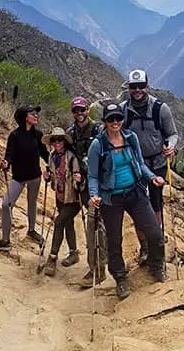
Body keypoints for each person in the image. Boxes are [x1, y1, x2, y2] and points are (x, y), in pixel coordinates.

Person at [87, 102, 167, 300]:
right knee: (115, 240)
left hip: (135, 192)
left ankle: (156, 265)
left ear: (122, 119)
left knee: (155, 232)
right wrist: (94, 194)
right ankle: (120, 278)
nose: (115, 122)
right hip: (110, 197)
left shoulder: (131, 138)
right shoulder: (98, 145)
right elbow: (93, 175)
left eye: (118, 118)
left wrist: (151, 177)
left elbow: (139, 164)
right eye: (111, 119)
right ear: (105, 121)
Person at [120, 69, 178, 264]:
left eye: (140, 86)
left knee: (156, 204)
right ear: (127, 87)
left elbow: (172, 133)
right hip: (134, 165)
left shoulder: (160, 109)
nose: (137, 90)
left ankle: (155, 243)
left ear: (147, 86)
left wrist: (171, 146)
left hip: (157, 163)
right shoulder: (122, 110)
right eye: (133, 87)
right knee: (138, 206)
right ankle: (144, 247)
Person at [0, 104, 48, 251]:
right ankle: (5, 239)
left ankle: (32, 230)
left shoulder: (38, 135)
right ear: (24, 117)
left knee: (32, 203)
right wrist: (6, 163)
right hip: (19, 177)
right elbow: (9, 154)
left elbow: (45, 154)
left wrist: (52, 166)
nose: (36, 115)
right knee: (6, 204)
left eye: (36, 113)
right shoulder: (14, 136)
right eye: (32, 113)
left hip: (35, 176)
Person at [67, 96, 108, 288]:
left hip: (100, 184)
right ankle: (96, 268)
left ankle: (100, 268)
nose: (79, 114)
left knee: (98, 224)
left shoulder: (99, 130)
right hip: (83, 185)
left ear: (87, 111)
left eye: (82, 110)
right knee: (92, 224)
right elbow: (67, 156)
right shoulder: (71, 133)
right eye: (76, 111)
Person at [41, 127, 82, 277]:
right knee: (68, 223)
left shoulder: (71, 157)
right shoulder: (52, 156)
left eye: (59, 140)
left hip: (73, 200)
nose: (57, 143)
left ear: (64, 142)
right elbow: (52, 176)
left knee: (59, 223)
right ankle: (73, 253)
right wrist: (46, 177)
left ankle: (52, 257)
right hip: (60, 197)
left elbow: (78, 176)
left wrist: (78, 178)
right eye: (54, 140)